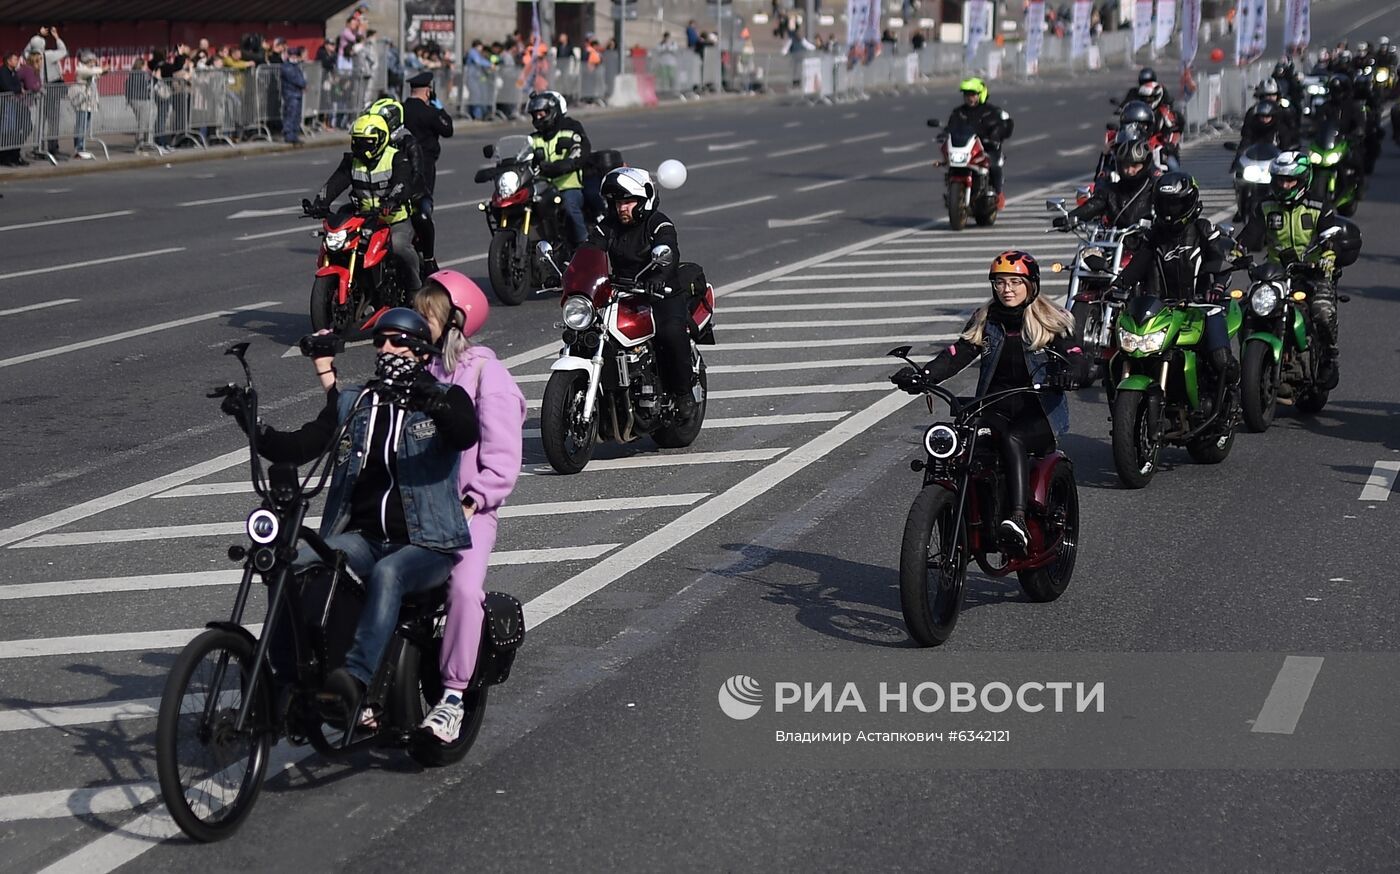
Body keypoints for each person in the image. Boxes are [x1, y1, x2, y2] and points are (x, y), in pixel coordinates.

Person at [237, 308, 479, 722]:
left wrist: (434, 403)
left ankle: (355, 680)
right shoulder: (356, 402)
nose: (386, 348)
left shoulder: (445, 397)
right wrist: (253, 426)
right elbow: (301, 445)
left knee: (390, 573)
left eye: (398, 341)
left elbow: (464, 431)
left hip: (427, 543)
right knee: (291, 563)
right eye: (381, 341)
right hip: (363, 539)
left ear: (422, 352)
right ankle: (284, 676)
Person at [892, 252, 1086, 552]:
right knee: (955, 441)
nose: (1006, 289)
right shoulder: (986, 319)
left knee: (1012, 437)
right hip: (993, 407)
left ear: (1031, 284)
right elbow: (958, 354)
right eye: (999, 282)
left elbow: (1075, 356)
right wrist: (923, 375)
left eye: (1014, 282)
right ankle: (953, 513)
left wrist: (1070, 373)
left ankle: (1018, 521)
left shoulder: (1050, 319)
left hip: (1039, 413)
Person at [414, 273, 525, 743]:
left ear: (455, 321)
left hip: (468, 512)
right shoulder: (418, 370)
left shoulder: (485, 373)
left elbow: (502, 458)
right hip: (413, 508)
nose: (417, 326)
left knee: (462, 589)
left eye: (427, 317)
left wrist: (473, 500)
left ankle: (453, 696)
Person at [1109, 172, 1239, 389]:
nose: (1170, 211)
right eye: (1165, 204)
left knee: (1220, 360)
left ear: (1190, 202)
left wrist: (1216, 287)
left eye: (1176, 205)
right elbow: (1138, 265)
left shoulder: (1204, 229)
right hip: (1161, 309)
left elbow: (1218, 259)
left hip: (1203, 307)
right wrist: (1118, 285)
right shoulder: (1154, 236)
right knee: (1121, 355)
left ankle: (1230, 393)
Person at [592, 167, 697, 416]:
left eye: (628, 202)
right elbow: (589, 248)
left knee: (670, 332)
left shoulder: (658, 223)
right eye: (618, 203)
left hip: (660, 292)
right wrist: (568, 271)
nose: (621, 208)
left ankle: (683, 394)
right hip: (622, 292)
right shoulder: (608, 226)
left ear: (643, 201)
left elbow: (669, 252)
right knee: (589, 333)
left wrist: (658, 277)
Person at [1235, 152, 1343, 389]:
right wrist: (1237, 249)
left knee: (1321, 311)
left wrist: (1327, 258)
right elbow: (1250, 234)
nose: (1284, 185)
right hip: (1276, 274)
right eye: (1280, 180)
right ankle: (1249, 366)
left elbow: (1330, 241)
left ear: (1303, 180)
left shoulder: (1319, 208)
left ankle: (1328, 358)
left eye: (1290, 181)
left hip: (1313, 273)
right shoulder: (1265, 206)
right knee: (1245, 309)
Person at [310, 112, 422, 293]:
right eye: (357, 140)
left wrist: (392, 200)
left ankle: (415, 290)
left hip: (393, 219)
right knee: (338, 244)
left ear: (380, 139)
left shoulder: (396, 158)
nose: (360, 146)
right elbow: (334, 184)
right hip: (362, 218)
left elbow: (402, 183)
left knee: (400, 246)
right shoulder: (351, 161)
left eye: (366, 141)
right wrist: (319, 202)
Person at [404, 70, 453, 274]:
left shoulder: (401, 109)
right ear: (428, 91)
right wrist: (439, 108)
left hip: (401, 164)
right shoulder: (430, 112)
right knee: (423, 205)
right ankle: (426, 254)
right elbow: (448, 129)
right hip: (424, 166)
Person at [527, 90, 591, 247]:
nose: (538, 118)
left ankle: (585, 246)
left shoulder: (570, 130)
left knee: (569, 207)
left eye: (542, 113)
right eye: (535, 115)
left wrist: (566, 164)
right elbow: (522, 156)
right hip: (542, 188)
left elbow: (580, 150)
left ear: (553, 112)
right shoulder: (533, 138)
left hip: (568, 186)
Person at [1059, 137, 1159, 229]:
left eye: (1135, 166)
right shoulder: (1111, 191)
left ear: (1145, 165)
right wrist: (1071, 218)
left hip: (1147, 242)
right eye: (1126, 166)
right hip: (1114, 240)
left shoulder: (1154, 189)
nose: (1129, 171)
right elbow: (1093, 205)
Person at [947, 77, 1014, 209]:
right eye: (966, 95)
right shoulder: (958, 112)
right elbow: (951, 127)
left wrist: (996, 135)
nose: (969, 98)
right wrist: (944, 134)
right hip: (967, 148)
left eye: (972, 94)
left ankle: (999, 193)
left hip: (987, 148)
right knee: (949, 164)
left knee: (994, 165)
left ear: (980, 94)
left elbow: (1005, 125)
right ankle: (953, 193)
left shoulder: (991, 111)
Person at [0, 51, 30, 167]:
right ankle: (5, 157)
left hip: (17, 104)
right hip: (6, 105)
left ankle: (15, 155)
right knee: (8, 131)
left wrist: (18, 89)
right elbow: (7, 87)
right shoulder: (3, 72)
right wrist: (18, 90)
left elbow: (18, 85)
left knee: (24, 128)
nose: (17, 61)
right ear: (8, 61)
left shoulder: (14, 73)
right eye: (15, 59)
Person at [280, 49, 306, 144]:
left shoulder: (295, 66)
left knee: (296, 115)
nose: (295, 58)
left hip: (296, 93)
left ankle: (294, 134)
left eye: (296, 56)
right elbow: (295, 78)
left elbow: (301, 77)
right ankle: (289, 135)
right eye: (293, 56)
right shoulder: (287, 66)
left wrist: (303, 84)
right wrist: (303, 84)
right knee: (291, 114)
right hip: (290, 94)